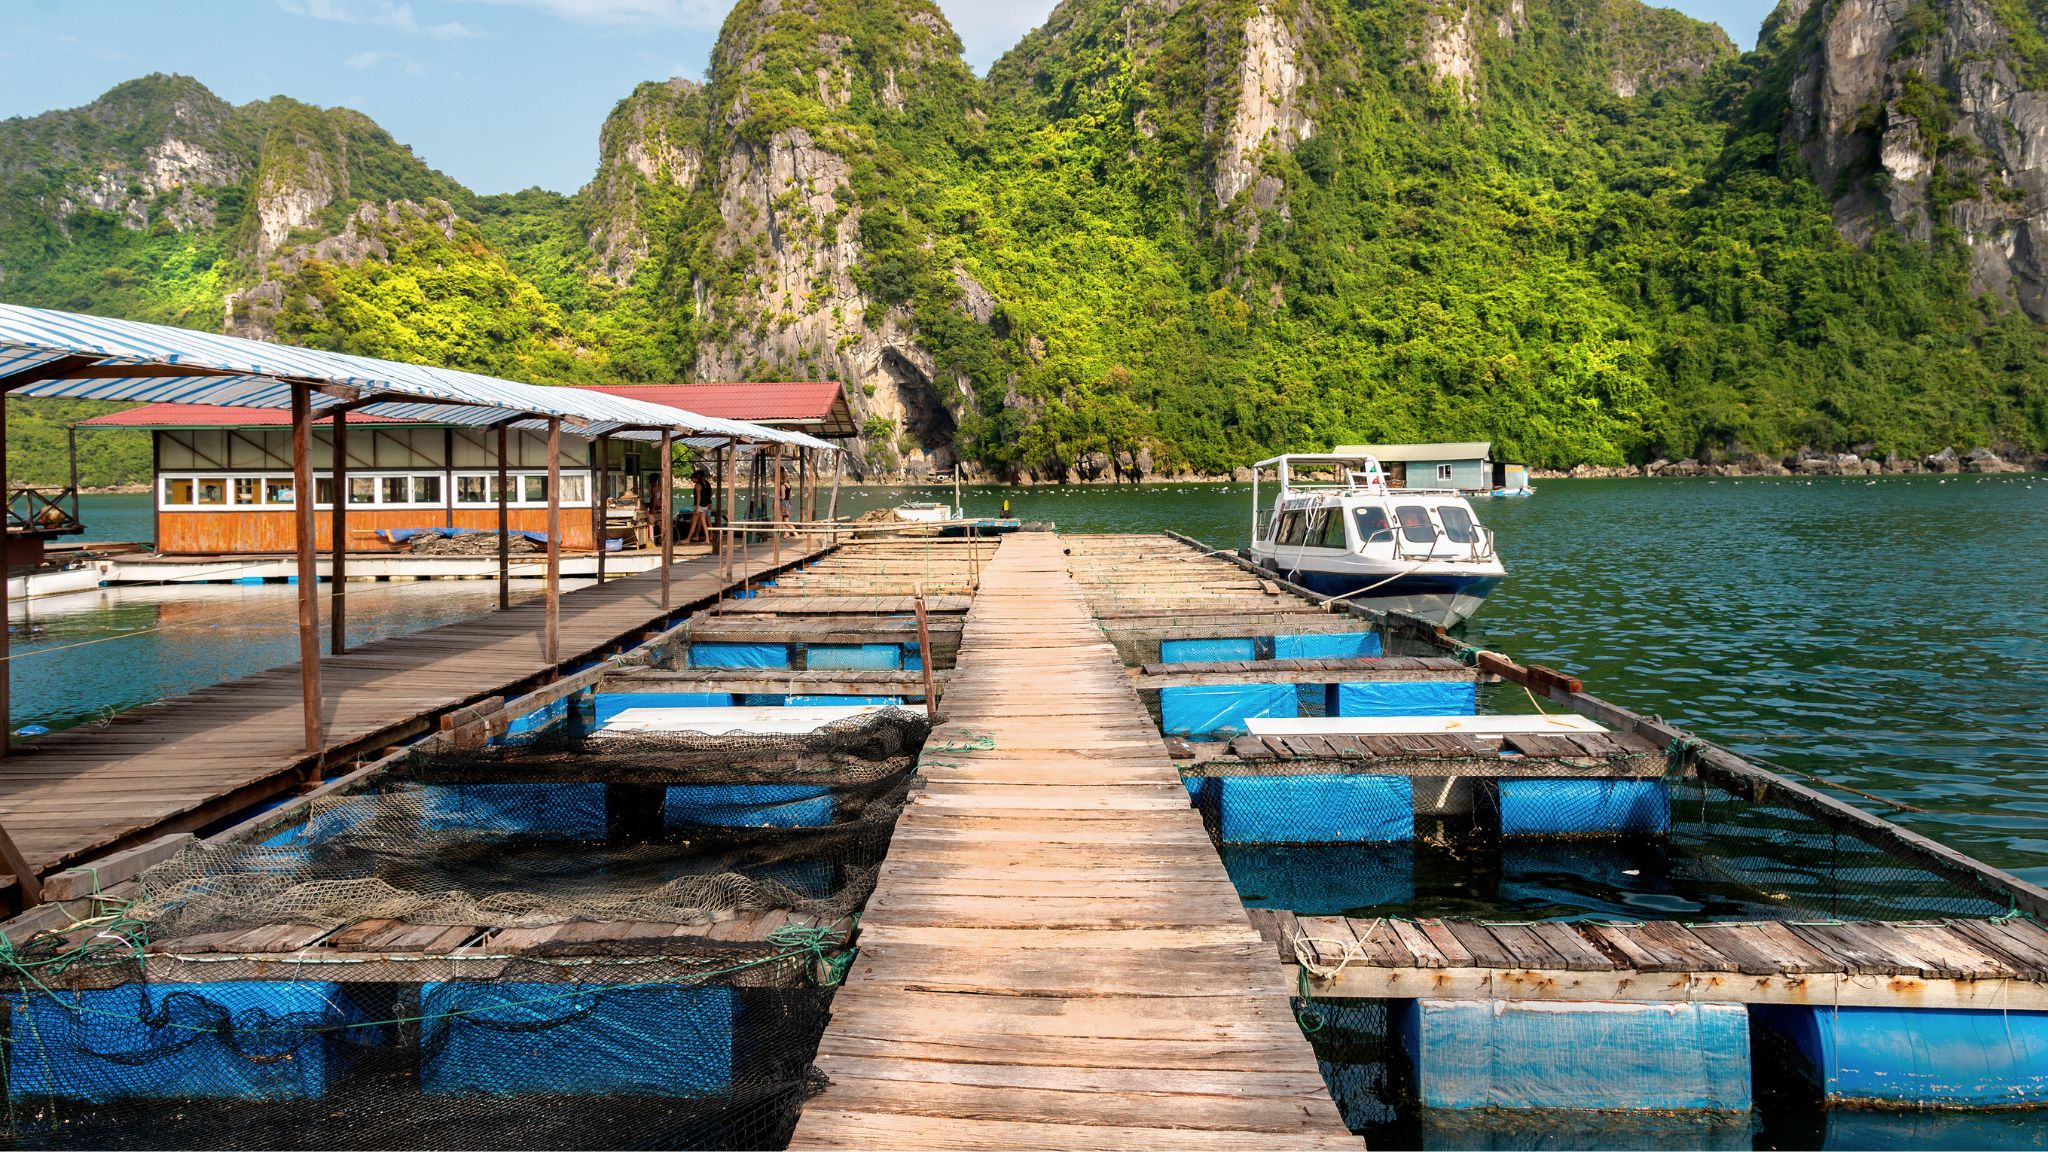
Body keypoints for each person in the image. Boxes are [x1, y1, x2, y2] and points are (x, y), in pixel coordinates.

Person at [683, 467, 714, 544]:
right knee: (704, 522)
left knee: (693, 523)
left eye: (692, 478)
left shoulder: (698, 485)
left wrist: (696, 508)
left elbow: (698, 497)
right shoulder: (706, 483)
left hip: (699, 506)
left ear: (696, 478)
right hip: (705, 505)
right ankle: (707, 539)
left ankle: (688, 539)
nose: (691, 480)